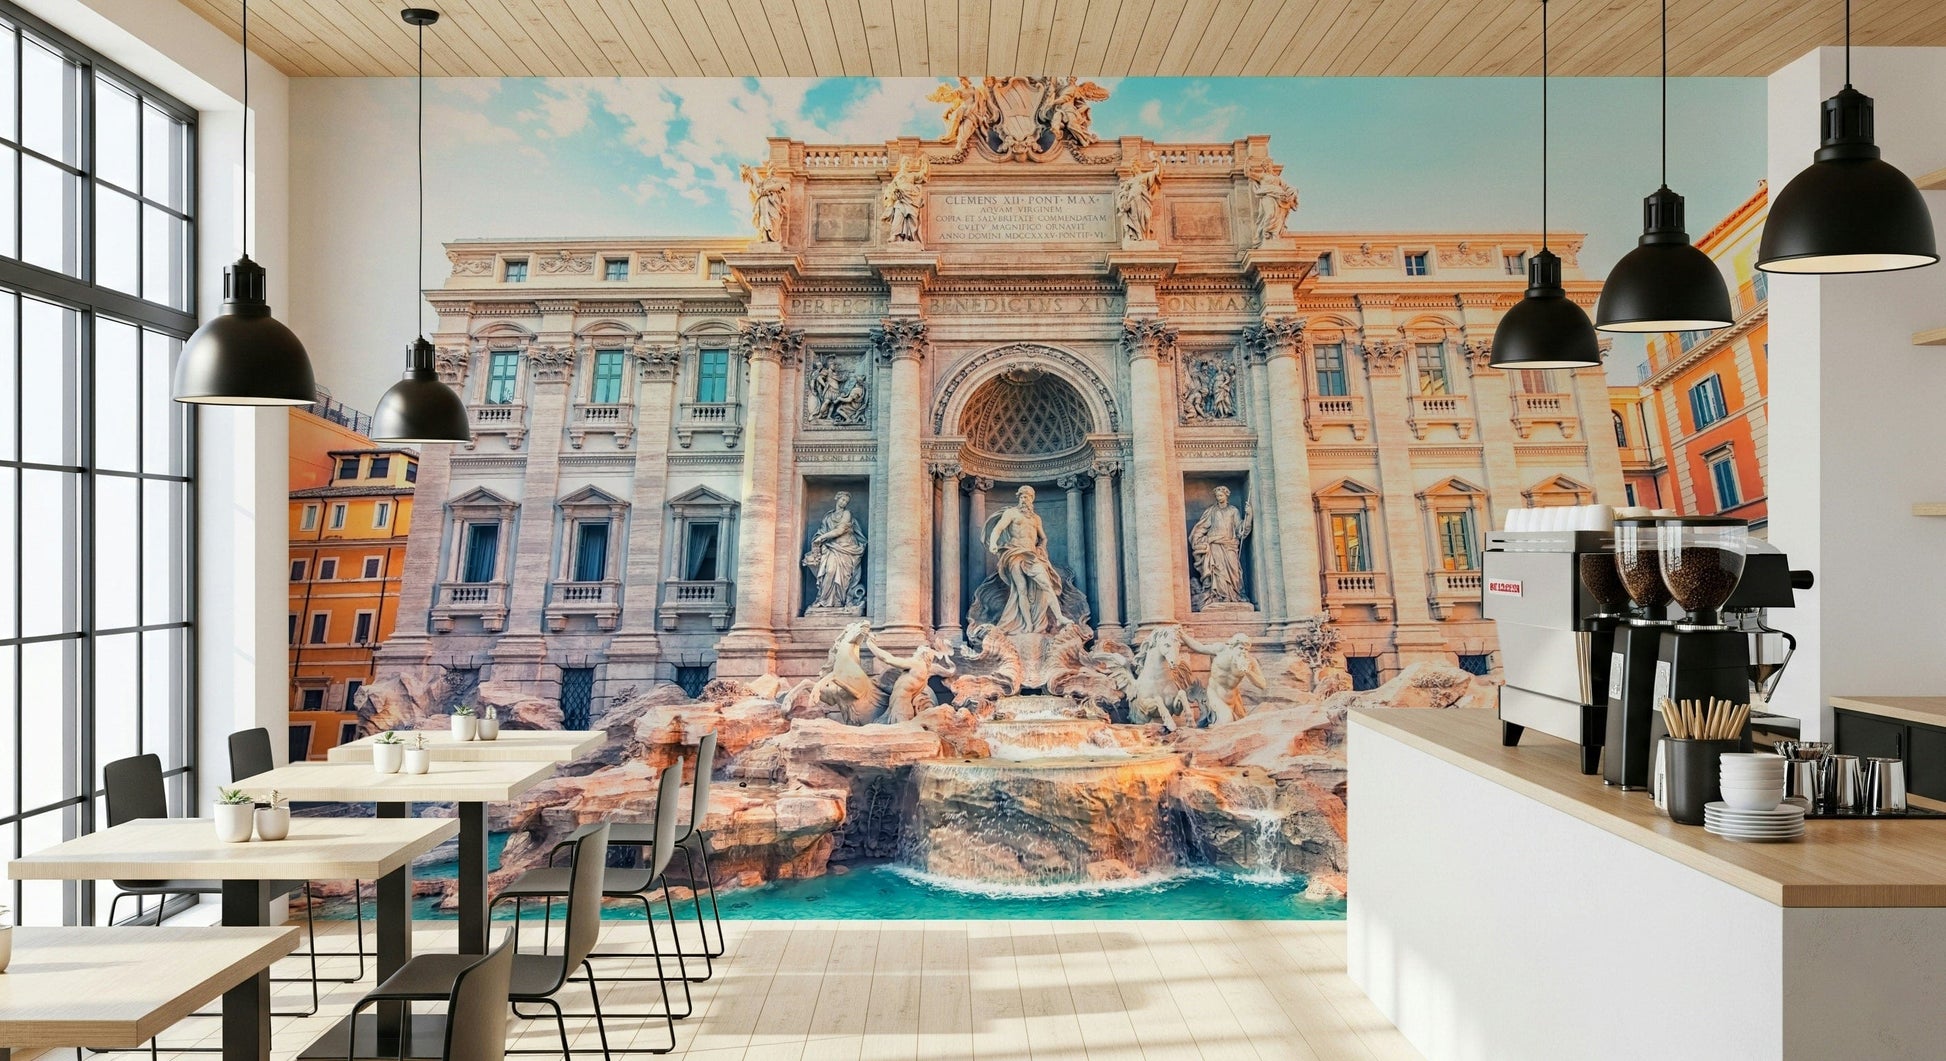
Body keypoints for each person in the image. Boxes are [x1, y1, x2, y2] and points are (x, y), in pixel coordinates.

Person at [986, 485, 1069, 634]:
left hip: (1032, 555)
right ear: (1018, 498)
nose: (1025, 499)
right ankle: (1028, 625)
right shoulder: (1011, 513)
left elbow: (1043, 537)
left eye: (1028, 497)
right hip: (1015, 553)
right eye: (1022, 496)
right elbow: (998, 529)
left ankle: (1059, 617)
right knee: (1021, 589)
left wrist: (1041, 548)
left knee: (1046, 584)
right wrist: (993, 543)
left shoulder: (1036, 518)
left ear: (1032, 499)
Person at [1189, 486, 1254, 605]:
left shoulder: (1233, 511)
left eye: (1221, 495)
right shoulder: (1212, 511)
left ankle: (1234, 594)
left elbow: (1240, 529)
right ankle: (1220, 596)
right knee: (1218, 571)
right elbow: (1202, 527)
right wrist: (1199, 538)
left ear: (1226, 495)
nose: (1219, 498)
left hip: (1230, 545)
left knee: (1234, 571)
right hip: (1215, 545)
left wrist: (1249, 516)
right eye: (1217, 496)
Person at [803, 492, 866, 610]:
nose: (843, 503)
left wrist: (822, 538)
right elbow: (821, 531)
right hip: (831, 548)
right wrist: (818, 539)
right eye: (842, 500)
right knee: (830, 571)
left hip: (846, 549)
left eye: (846, 502)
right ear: (837, 499)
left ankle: (839, 602)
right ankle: (823, 600)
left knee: (844, 577)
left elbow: (840, 530)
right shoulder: (828, 517)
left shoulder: (847, 514)